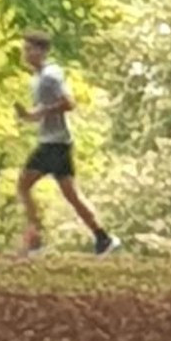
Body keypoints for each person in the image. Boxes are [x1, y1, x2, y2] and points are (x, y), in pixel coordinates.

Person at [14, 31, 119, 256]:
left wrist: (41, 111)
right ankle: (103, 238)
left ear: (42, 51)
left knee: (23, 185)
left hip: (54, 144)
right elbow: (43, 111)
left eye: (29, 49)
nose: (26, 53)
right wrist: (28, 115)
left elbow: (69, 103)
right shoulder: (37, 78)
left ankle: (36, 241)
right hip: (57, 142)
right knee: (72, 196)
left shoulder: (51, 75)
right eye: (25, 49)